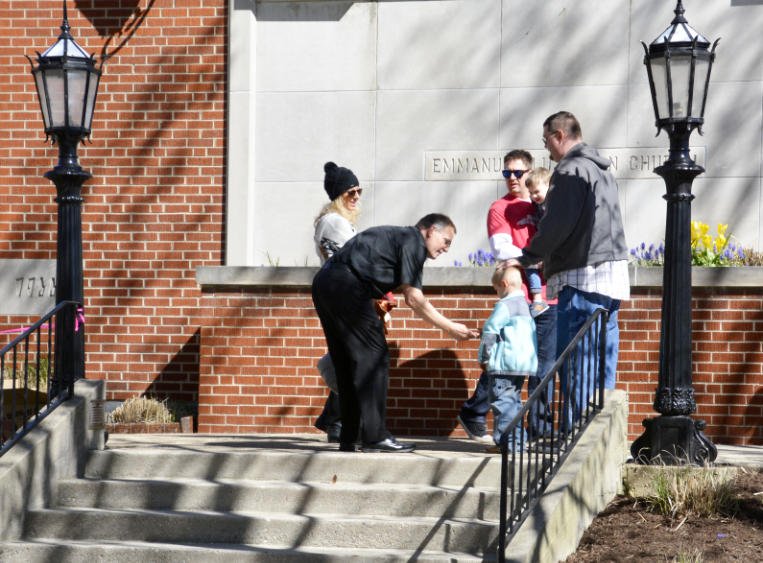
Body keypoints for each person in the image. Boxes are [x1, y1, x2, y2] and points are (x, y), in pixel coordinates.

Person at [312, 213, 480, 453]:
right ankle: (375, 436)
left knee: (346, 363)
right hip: (347, 286)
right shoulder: (413, 242)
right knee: (376, 358)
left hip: (325, 283)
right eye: (446, 241)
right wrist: (450, 327)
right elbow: (414, 298)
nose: (446, 248)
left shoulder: (396, 237)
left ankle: (350, 436)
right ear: (431, 230)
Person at [510, 110, 630, 425]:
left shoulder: (570, 170)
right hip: (611, 278)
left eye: (546, 140)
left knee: (577, 362)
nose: (546, 148)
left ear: (560, 135)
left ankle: (577, 436)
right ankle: (600, 434)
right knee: (603, 361)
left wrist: (528, 255)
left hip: (581, 276)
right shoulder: (602, 170)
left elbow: (557, 223)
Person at [458, 150, 557, 444]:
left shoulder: (545, 205)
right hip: (518, 296)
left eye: (518, 173)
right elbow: (502, 249)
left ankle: (539, 428)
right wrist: (534, 260)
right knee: (506, 363)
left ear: (530, 174)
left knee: (545, 364)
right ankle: (475, 409)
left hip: (550, 297)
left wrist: (534, 260)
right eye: (507, 173)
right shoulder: (500, 208)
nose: (512, 179)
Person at [312, 161, 364, 442]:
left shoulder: (340, 221)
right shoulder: (334, 222)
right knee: (351, 359)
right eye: (350, 192)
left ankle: (335, 419)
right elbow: (352, 260)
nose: (356, 197)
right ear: (337, 196)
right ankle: (338, 420)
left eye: (359, 191)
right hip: (341, 298)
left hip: (343, 296)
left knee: (350, 357)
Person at [478, 266, 537, 453]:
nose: (497, 294)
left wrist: (484, 356)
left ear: (503, 284)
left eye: (496, 289)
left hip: (504, 365)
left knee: (503, 405)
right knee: (514, 404)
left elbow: (490, 330)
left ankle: (508, 444)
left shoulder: (505, 305)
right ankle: (517, 443)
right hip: (521, 365)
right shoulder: (527, 308)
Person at [524, 167, 552, 318]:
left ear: (548, 185)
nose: (533, 196)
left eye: (536, 192)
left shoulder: (553, 204)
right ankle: (537, 298)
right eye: (531, 193)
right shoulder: (537, 205)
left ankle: (538, 298)